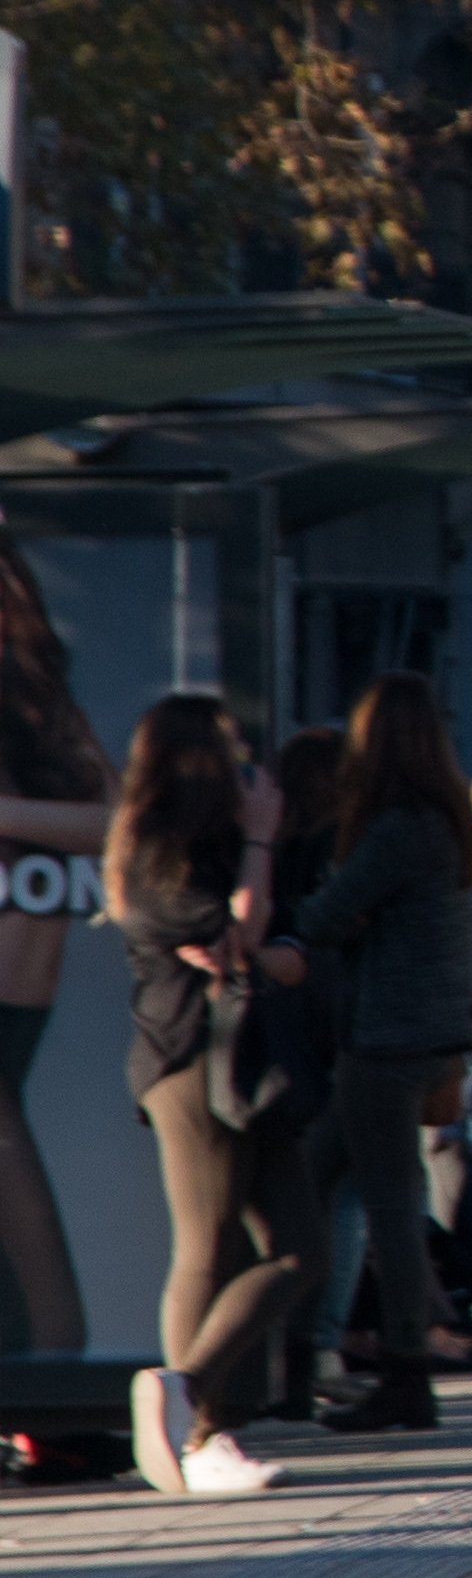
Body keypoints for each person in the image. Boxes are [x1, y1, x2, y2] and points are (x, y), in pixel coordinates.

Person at [274, 675, 472, 1434]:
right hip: (428, 1036)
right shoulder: (447, 818)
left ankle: (399, 1374)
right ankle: (298, 1360)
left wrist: (297, 909)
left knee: (383, 1205)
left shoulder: (397, 826)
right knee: (314, 1184)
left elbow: (327, 917)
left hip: (385, 1041)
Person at [114, 694, 297, 1496]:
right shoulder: (159, 847)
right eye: (231, 748)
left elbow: (258, 941)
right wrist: (260, 836)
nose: (247, 763)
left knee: (300, 1247)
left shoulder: (203, 841)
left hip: (251, 1065)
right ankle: (196, 1426)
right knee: (208, 1242)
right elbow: (242, 934)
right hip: (193, 1060)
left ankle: (188, 1389)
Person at [0, 540, 116, 1373]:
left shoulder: (38, 706)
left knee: (18, 1201)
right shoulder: (40, 706)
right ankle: (49, 1385)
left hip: (17, 985)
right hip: (24, 987)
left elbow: (117, 821)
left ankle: (55, 1386)